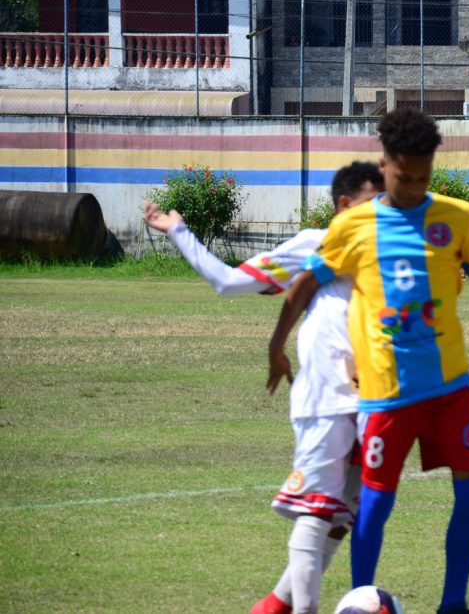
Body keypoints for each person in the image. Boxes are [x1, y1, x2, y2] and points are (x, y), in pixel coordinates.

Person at [295, 108, 469, 614]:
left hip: (450, 388)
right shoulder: (354, 225)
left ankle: (453, 603)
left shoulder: (457, 217)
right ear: (384, 166)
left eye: (424, 176)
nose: (415, 187)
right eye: (405, 177)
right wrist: (279, 345)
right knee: (376, 500)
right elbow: (307, 283)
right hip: (386, 394)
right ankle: (359, 600)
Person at [143, 161, 384, 614]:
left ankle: (274, 606)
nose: (382, 211)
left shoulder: (390, 249)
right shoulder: (316, 243)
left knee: (340, 519)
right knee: (316, 511)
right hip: (328, 396)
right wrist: (179, 231)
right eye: (374, 202)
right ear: (344, 205)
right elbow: (228, 281)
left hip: (378, 400)